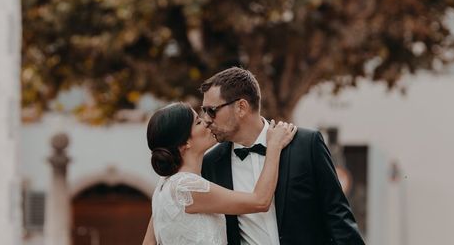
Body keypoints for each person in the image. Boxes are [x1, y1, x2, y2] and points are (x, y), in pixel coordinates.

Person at [200, 67, 365, 245]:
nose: (206, 119)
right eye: (204, 111)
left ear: (241, 107)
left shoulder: (306, 144)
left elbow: (338, 216)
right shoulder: (211, 163)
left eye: (212, 110)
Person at [142, 102, 296, 245]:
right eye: (198, 122)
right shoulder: (186, 187)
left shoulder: (163, 186)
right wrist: (274, 146)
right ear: (185, 143)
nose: (207, 121)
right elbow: (260, 201)